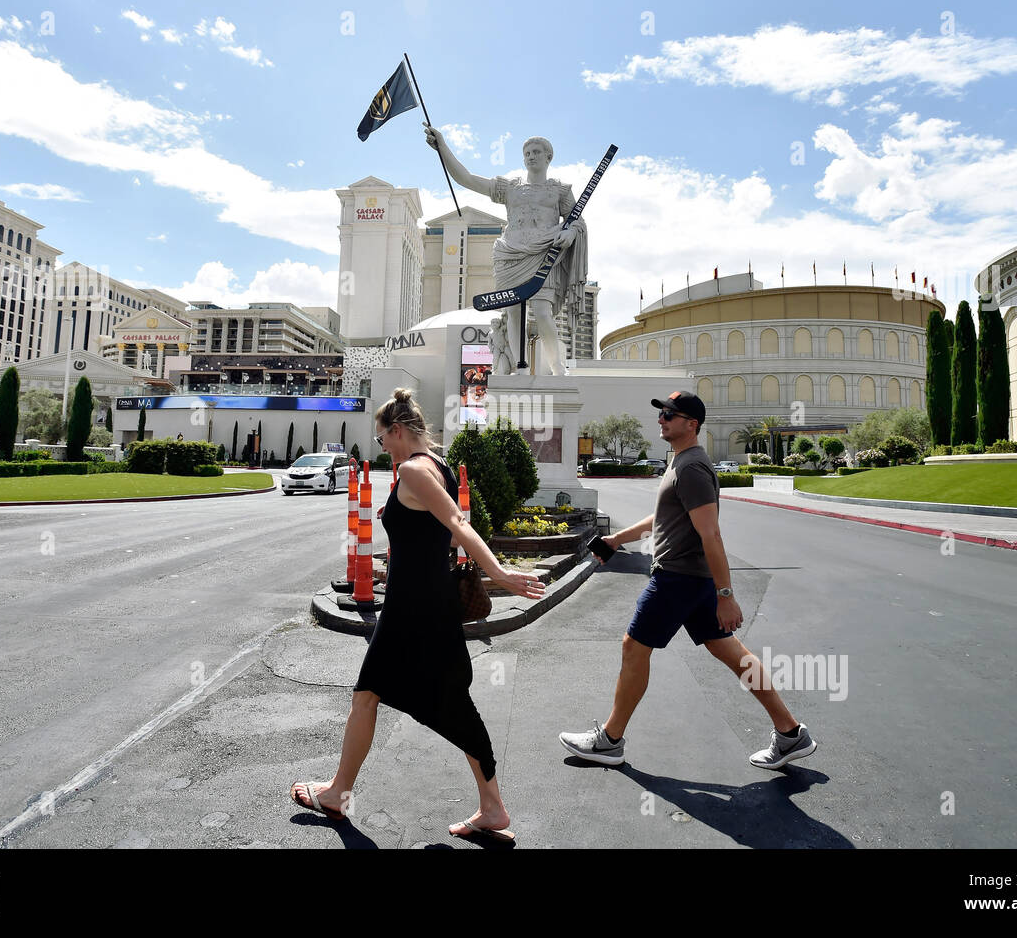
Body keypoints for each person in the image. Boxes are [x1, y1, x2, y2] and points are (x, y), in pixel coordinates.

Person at [291, 388, 545, 843]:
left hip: (412, 611)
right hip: (431, 604)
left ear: (399, 430)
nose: (381, 445)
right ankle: (490, 807)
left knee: (374, 695)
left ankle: (336, 793)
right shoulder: (438, 465)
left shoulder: (412, 469)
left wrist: (500, 573)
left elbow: (458, 525)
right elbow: (439, 534)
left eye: (383, 436)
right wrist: (405, 550)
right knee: (438, 700)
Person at [559, 391, 817, 770]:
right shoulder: (681, 463)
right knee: (731, 653)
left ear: (691, 424)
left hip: (678, 579)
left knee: (634, 647)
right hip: (692, 581)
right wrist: (616, 539)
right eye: (661, 413)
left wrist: (726, 595)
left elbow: (710, 534)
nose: (661, 419)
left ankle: (610, 741)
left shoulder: (693, 468)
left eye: (670, 414)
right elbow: (662, 519)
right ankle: (791, 733)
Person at [426, 127, 587, 376]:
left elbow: (576, 220)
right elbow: (466, 179)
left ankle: (558, 368)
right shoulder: (510, 187)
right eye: (527, 153)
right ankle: (519, 368)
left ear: (548, 157)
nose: (531, 156)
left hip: (545, 253)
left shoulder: (560, 190)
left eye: (536, 152)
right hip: (510, 254)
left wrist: (570, 233)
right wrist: (443, 147)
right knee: (513, 313)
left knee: (543, 313)